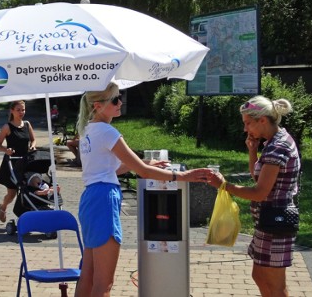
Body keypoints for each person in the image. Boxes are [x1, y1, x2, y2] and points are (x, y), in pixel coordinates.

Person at [73, 83, 211, 297]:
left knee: (88, 275)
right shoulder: (108, 131)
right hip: (104, 199)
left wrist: (145, 163)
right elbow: (142, 172)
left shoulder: (87, 130)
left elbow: (110, 170)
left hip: (90, 198)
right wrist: (183, 176)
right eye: (115, 100)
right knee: (104, 282)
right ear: (98, 106)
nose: (121, 102)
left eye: (120, 97)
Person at [206, 96, 301, 297]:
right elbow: (258, 177)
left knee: (275, 286)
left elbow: (259, 193)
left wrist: (223, 185)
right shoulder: (274, 142)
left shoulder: (278, 148)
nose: (245, 129)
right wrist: (252, 152)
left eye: (248, 123)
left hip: (276, 222)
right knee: (259, 275)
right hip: (268, 222)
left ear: (263, 120)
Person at [0, 100, 37, 223]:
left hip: (26, 162)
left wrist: (32, 146)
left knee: (27, 189)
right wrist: (6, 150)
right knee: (11, 194)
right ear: (12, 111)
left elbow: (33, 140)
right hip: (11, 163)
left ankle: (27, 214)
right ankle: (3, 206)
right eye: (18, 110)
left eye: (23, 109)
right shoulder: (7, 127)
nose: (21, 112)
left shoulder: (27, 124)